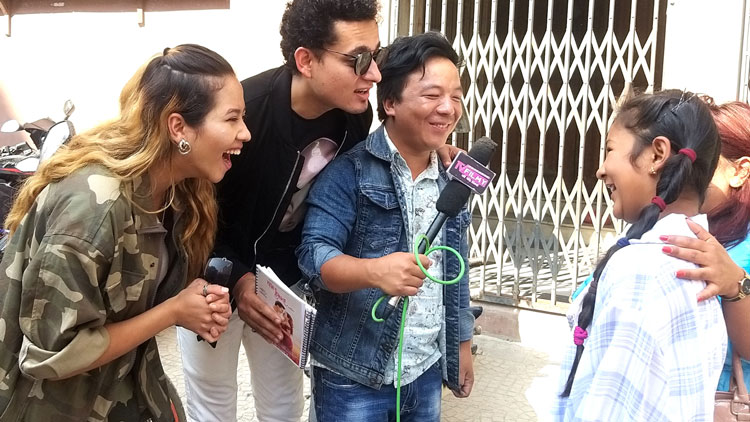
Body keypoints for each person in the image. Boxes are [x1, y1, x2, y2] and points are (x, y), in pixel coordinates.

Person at [176, 1, 459, 421]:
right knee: (212, 405)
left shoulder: (353, 116)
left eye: (376, 56)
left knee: (283, 406)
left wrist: (433, 146)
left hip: (284, 283)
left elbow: (374, 160)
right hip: (212, 276)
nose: (374, 74)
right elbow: (190, 214)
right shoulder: (245, 112)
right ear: (306, 61)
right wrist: (239, 281)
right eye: (358, 60)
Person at [0, 44, 245, 421]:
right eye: (232, 119)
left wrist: (196, 303)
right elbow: (50, 355)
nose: (245, 133)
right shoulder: (95, 207)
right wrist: (173, 312)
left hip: (123, 393)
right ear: (178, 127)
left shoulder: (178, 193)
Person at [297, 31, 474, 421]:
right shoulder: (349, 171)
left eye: (457, 96)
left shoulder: (455, 177)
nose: (448, 108)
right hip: (352, 375)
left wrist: (461, 345)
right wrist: (375, 271)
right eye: (432, 95)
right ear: (390, 102)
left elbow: (455, 270)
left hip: (425, 370)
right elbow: (313, 256)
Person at [553, 90, 727, 420]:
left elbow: (611, 409)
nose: (600, 170)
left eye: (609, 150)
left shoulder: (642, 272)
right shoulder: (695, 261)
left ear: (656, 155)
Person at [660, 99, 750, 391]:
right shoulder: (672, 223)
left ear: (740, 171)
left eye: (703, 164)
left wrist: (737, 285)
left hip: (723, 396)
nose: (686, 174)